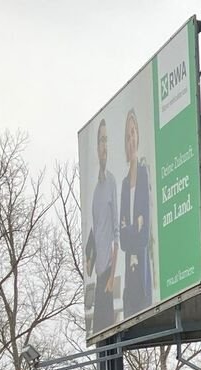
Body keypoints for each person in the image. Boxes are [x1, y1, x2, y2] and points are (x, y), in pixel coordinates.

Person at [119, 109, 154, 319]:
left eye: (133, 134)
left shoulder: (144, 174)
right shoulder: (124, 185)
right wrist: (134, 227)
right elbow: (123, 241)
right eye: (127, 136)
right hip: (128, 274)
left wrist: (129, 229)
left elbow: (143, 237)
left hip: (142, 271)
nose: (131, 140)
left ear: (138, 136)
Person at [86, 119, 118, 332]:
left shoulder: (112, 182)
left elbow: (116, 234)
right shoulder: (96, 190)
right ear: (97, 147)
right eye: (101, 141)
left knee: (110, 330)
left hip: (107, 274)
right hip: (98, 276)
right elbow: (97, 231)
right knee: (100, 335)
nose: (104, 146)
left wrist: (111, 279)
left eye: (107, 140)